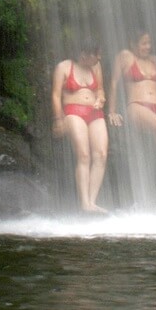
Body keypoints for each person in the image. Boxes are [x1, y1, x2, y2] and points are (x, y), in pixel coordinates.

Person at [108, 31, 156, 203]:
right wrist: (111, 111)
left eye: (149, 43)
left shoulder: (154, 60)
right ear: (133, 43)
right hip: (137, 105)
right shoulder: (125, 56)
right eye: (143, 43)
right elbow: (113, 82)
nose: (147, 47)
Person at [51, 39, 108, 213]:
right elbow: (55, 95)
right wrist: (58, 119)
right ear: (84, 54)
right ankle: (84, 203)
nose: (99, 57)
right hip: (73, 111)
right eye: (96, 54)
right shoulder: (63, 67)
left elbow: (100, 90)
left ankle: (92, 201)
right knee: (84, 155)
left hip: (95, 112)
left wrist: (101, 99)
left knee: (101, 154)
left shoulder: (96, 67)